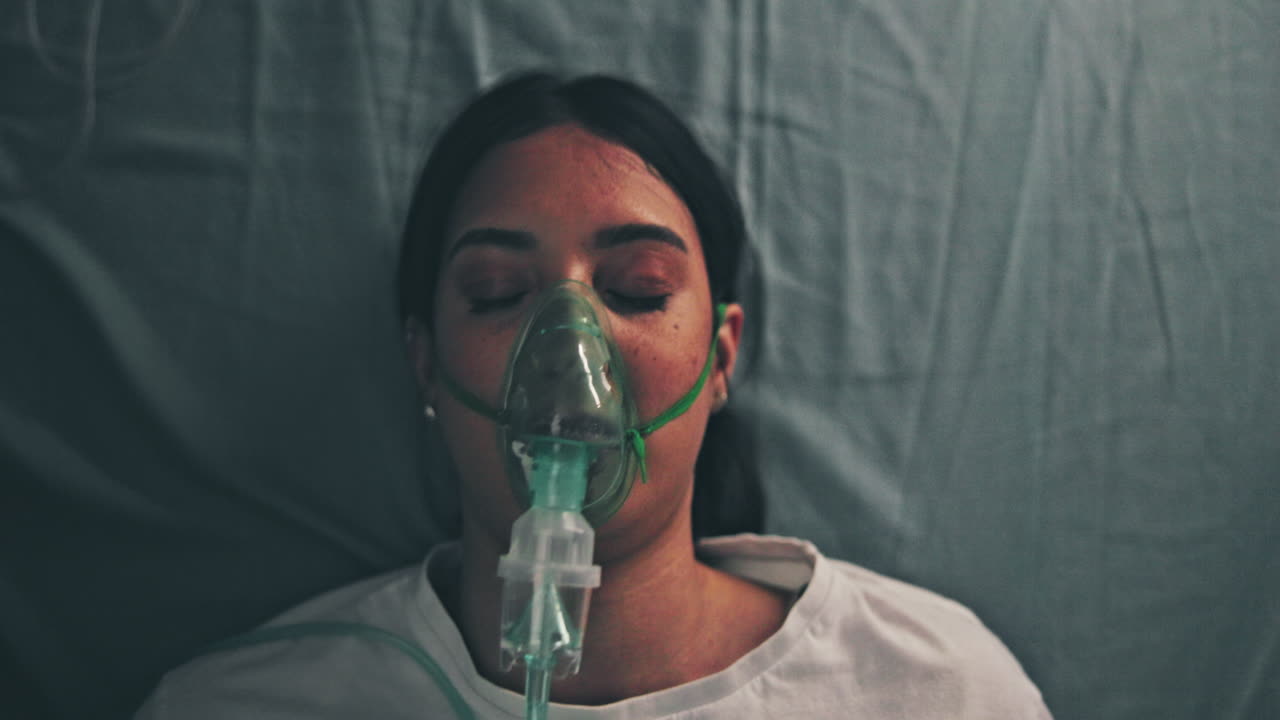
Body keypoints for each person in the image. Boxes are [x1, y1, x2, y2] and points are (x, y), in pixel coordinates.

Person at [135, 72, 1052, 719]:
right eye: (498, 295)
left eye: (639, 290)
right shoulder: (241, 704)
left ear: (721, 355)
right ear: (425, 363)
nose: (571, 349)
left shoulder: (937, 692)